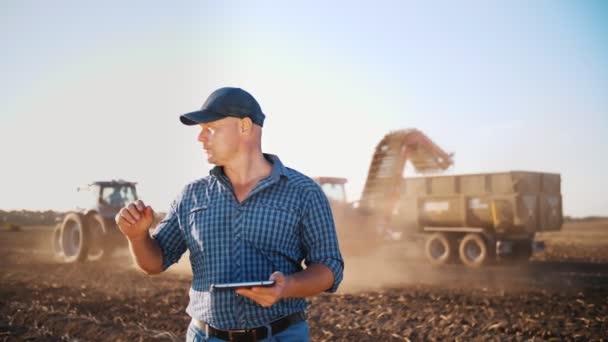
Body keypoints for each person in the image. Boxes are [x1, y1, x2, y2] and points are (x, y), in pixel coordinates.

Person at [115, 87, 344, 341]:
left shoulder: (304, 192)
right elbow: (155, 263)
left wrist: (286, 287)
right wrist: (137, 237)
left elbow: (329, 267)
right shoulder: (191, 195)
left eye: (210, 127)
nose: (200, 138)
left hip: (281, 336)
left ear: (245, 126)